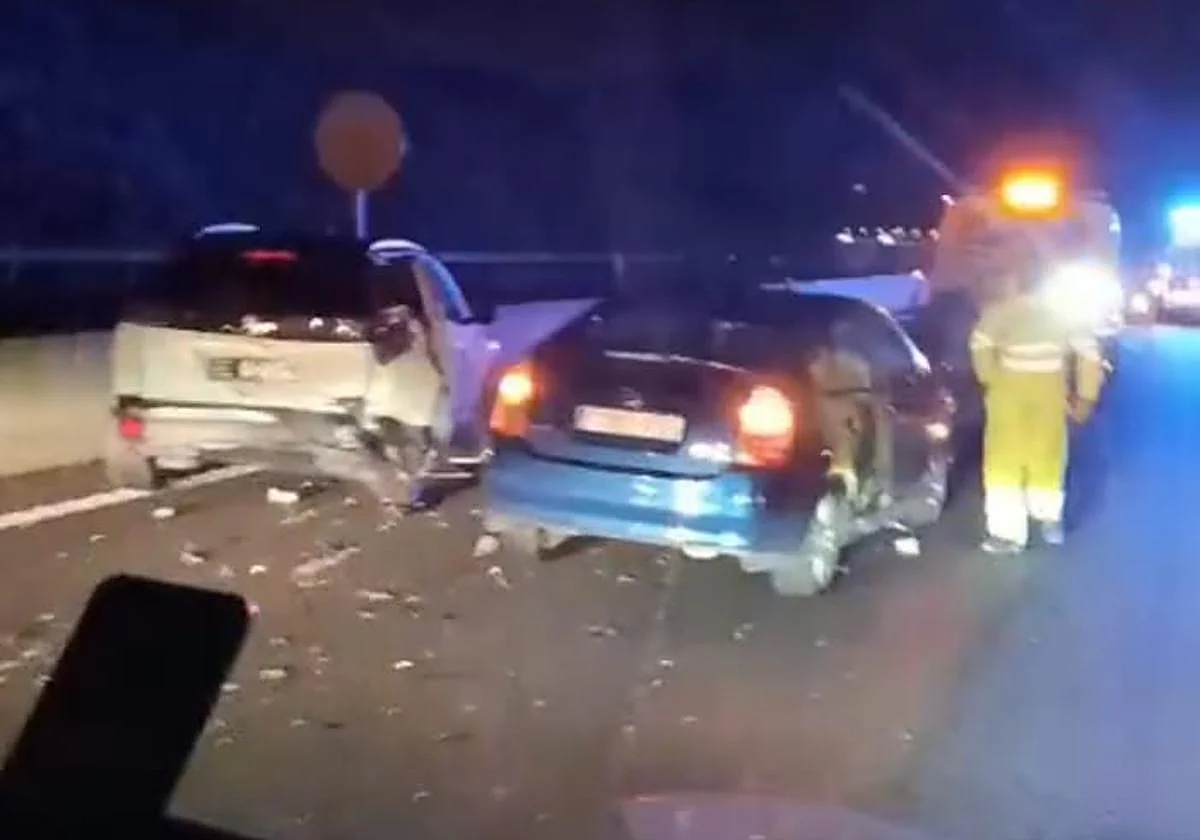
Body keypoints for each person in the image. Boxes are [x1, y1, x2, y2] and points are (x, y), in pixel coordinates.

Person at [969, 245, 1108, 553]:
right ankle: (1047, 520)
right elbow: (1089, 355)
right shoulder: (1065, 314)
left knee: (1003, 463)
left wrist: (991, 379)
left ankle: (1007, 535)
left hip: (1008, 397)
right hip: (1049, 395)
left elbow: (980, 348)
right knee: (1048, 455)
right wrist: (1085, 398)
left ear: (1014, 280)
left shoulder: (999, 312)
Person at [808, 319, 893, 510]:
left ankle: (855, 496)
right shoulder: (855, 363)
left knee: (850, 457)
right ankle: (859, 497)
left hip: (836, 415)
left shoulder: (818, 364)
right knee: (859, 456)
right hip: (850, 415)